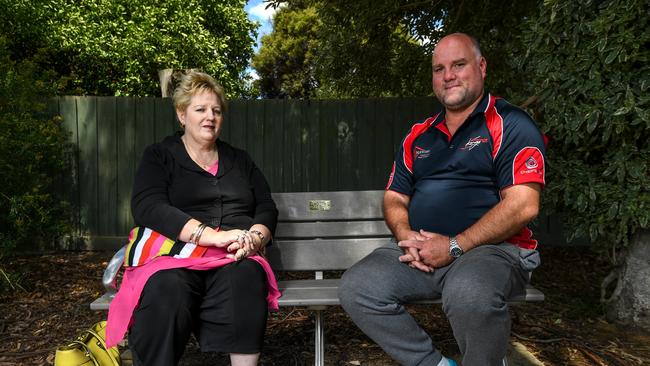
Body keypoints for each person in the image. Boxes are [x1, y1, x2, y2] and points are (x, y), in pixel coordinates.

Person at [338, 33, 546, 366]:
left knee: (468, 292)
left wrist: (453, 245)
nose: (447, 75)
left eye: (458, 64)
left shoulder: (511, 124)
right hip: (422, 251)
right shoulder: (419, 134)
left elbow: (524, 203)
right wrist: (407, 238)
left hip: (491, 251)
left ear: (481, 67)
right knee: (357, 286)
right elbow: (393, 197)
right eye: (439, 68)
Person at [105, 70, 281, 366]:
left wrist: (255, 238)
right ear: (181, 114)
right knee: (166, 287)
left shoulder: (240, 160)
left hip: (233, 254)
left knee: (247, 276)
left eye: (216, 110)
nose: (209, 116)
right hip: (174, 254)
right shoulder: (160, 155)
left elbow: (266, 206)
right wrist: (211, 235)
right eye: (200, 109)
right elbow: (148, 205)